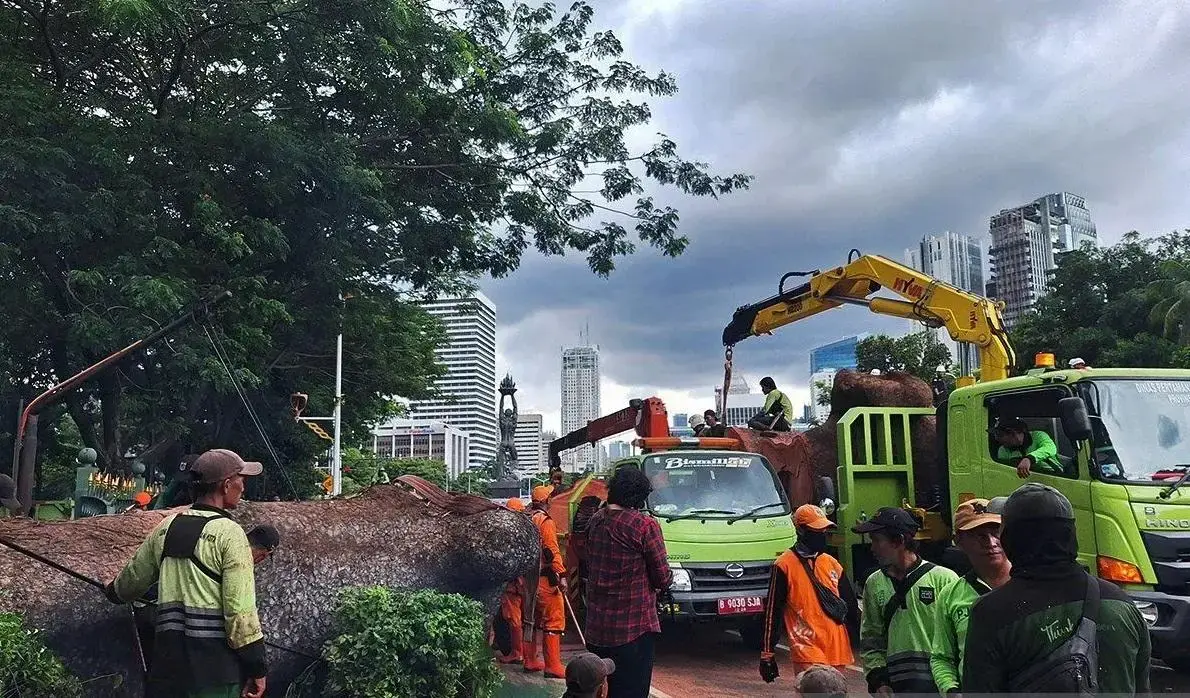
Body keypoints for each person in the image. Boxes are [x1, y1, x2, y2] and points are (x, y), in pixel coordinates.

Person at [104, 449, 268, 698]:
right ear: (226, 485)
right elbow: (240, 613)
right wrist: (257, 668)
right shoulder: (230, 534)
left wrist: (112, 591)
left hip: (167, 670)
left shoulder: (166, 527)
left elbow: (128, 584)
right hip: (215, 673)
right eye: (241, 480)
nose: (243, 487)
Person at [962, 483, 1151, 694]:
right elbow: (1142, 688)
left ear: (1013, 538)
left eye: (1000, 529)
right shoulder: (1121, 603)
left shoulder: (992, 613)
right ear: (1071, 534)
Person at [584, 466, 672, 698]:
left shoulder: (595, 521)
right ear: (638, 496)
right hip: (633, 630)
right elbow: (662, 577)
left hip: (596, 629)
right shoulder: (644, 525)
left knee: (598, 690)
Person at [855, 507, 958, 695]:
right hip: (896, 689)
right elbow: (871, 640)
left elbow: (958, 637)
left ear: (899, 541)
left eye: (877, 541)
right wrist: (879, 681)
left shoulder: (944, 579)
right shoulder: (874, 583)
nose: (872, 548)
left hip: (940, 687)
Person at [760, 505, 857, 684]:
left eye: (824, 530)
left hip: (837, 649)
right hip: (806, 648)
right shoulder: (784, 565)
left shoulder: (832, 564)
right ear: (801, 531)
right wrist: (767, 654)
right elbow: (772, 611)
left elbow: (850, 608)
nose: (822, 535)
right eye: (816, 530)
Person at [929, 498, 1011, 695]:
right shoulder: (951, 595)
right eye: (980, 535)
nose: (991, 542)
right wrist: (951, 690)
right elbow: (941, 657)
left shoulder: (1031, 583)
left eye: (995, 532)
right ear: (959, 542)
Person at [524, 485, 567, 678]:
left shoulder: (526, 519)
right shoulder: (545, 521)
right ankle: (553, 666)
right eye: (550, 496)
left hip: (528, 579)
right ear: (545, 501)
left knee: (530, 619)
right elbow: (551, 550)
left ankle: (530, 660)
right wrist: (562, 575)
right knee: (553, 620)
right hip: (545, 579)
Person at [495, 498, 528, 664]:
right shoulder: (525, 530)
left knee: (513, 618)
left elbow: (510, 559)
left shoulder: (510, 534)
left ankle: (517, 653)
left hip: (512, 583)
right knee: (517, 618)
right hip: (521, 583)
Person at [990, 416, 1064, 478]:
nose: (997, 439)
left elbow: (1050, 448)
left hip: (1055, 476)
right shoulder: (1003, 450)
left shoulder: (1038, 435)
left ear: (1012, 433)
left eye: (1000, 435)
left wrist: (1029, 459)